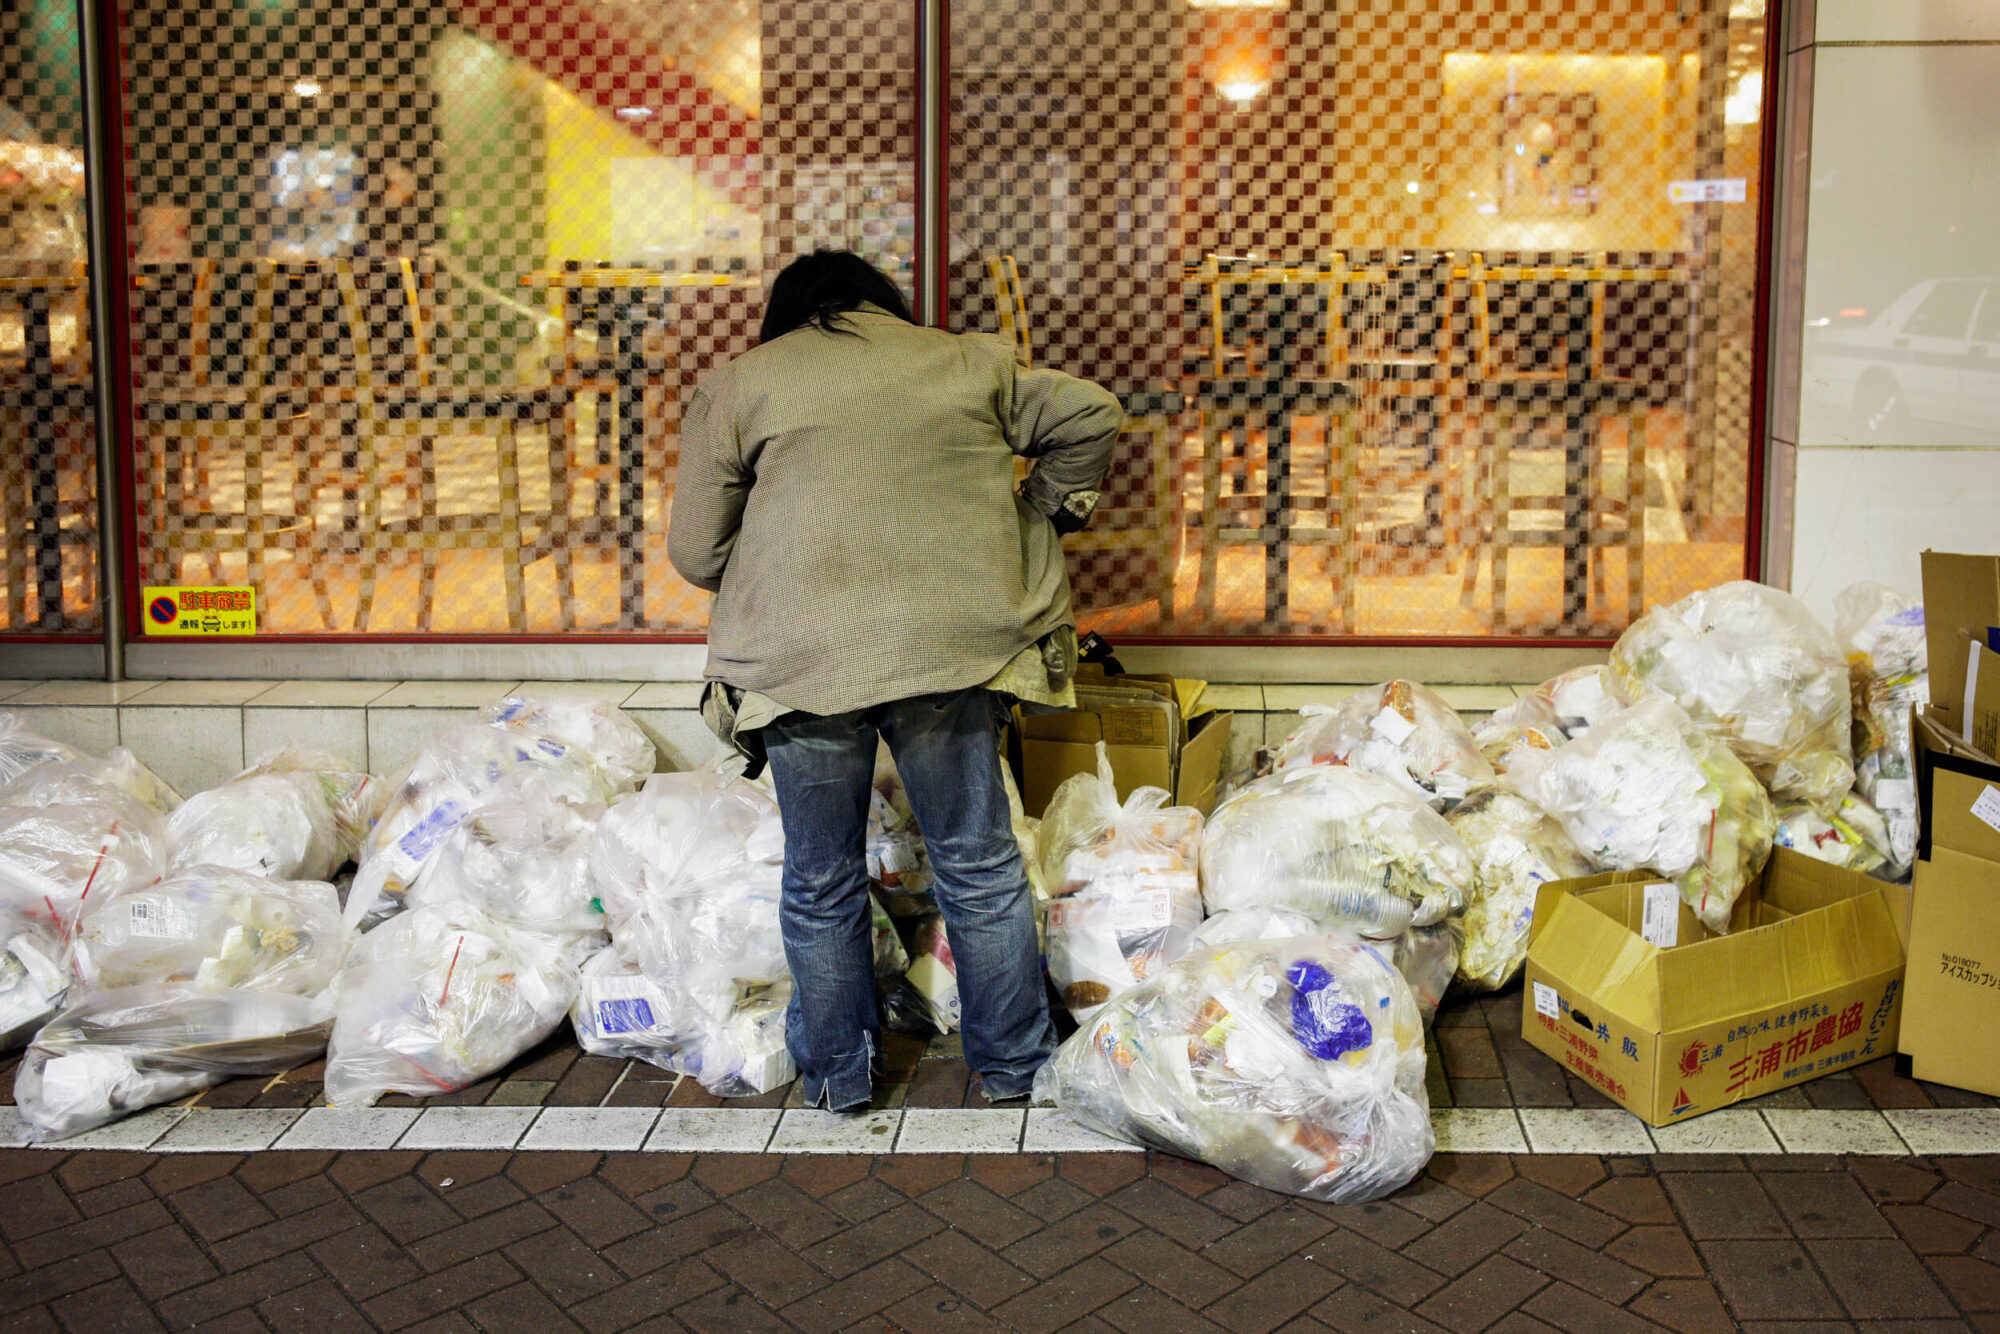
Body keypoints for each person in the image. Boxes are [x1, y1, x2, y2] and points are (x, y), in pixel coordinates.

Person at [669, 250, 1120, 1112]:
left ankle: (840, 1076)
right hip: (948, 651)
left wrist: (781, 557)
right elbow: (1092, 412)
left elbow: (696, 551)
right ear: (884, 305)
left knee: (820, 878)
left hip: (799, 661)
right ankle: (1014, 1066)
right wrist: (1038, 513)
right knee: (977, 865)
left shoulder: (742, 383)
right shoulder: (967, 362)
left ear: (788, 314)